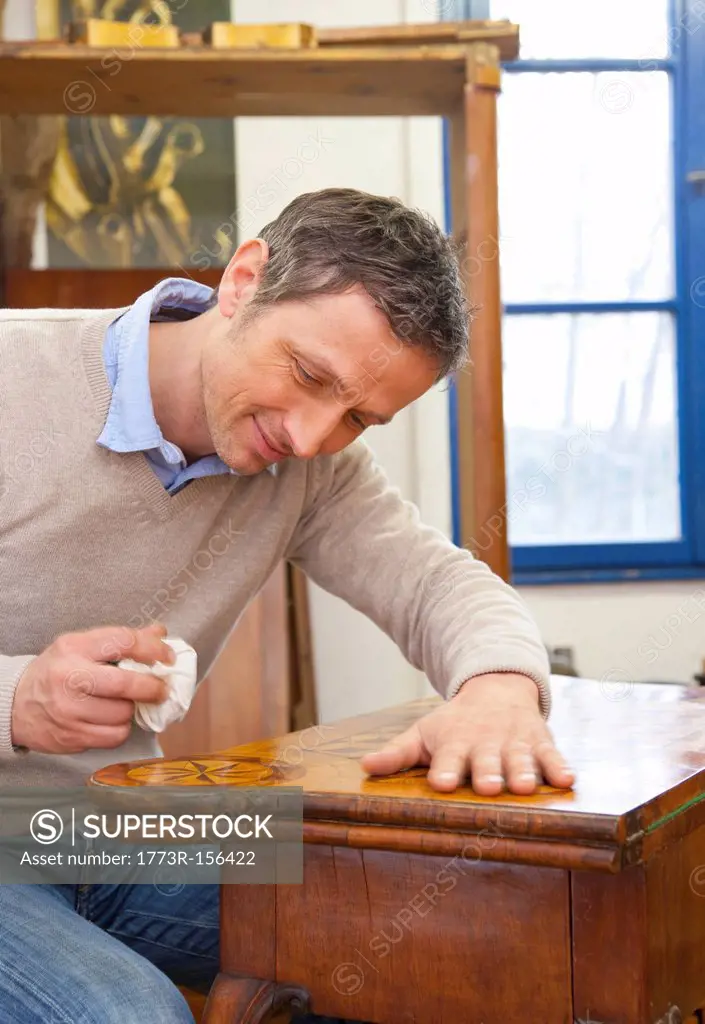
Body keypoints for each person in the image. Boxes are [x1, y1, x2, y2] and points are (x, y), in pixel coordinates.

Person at [0, 188, 574, 1022]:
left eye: (356, 419)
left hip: (110, 828)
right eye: (309, 375)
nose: (308, 438)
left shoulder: (310, 469)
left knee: (438, 932)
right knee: (130, 1014)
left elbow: (432, 580)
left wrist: (498, 689)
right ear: (243, 279)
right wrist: (14, 700)